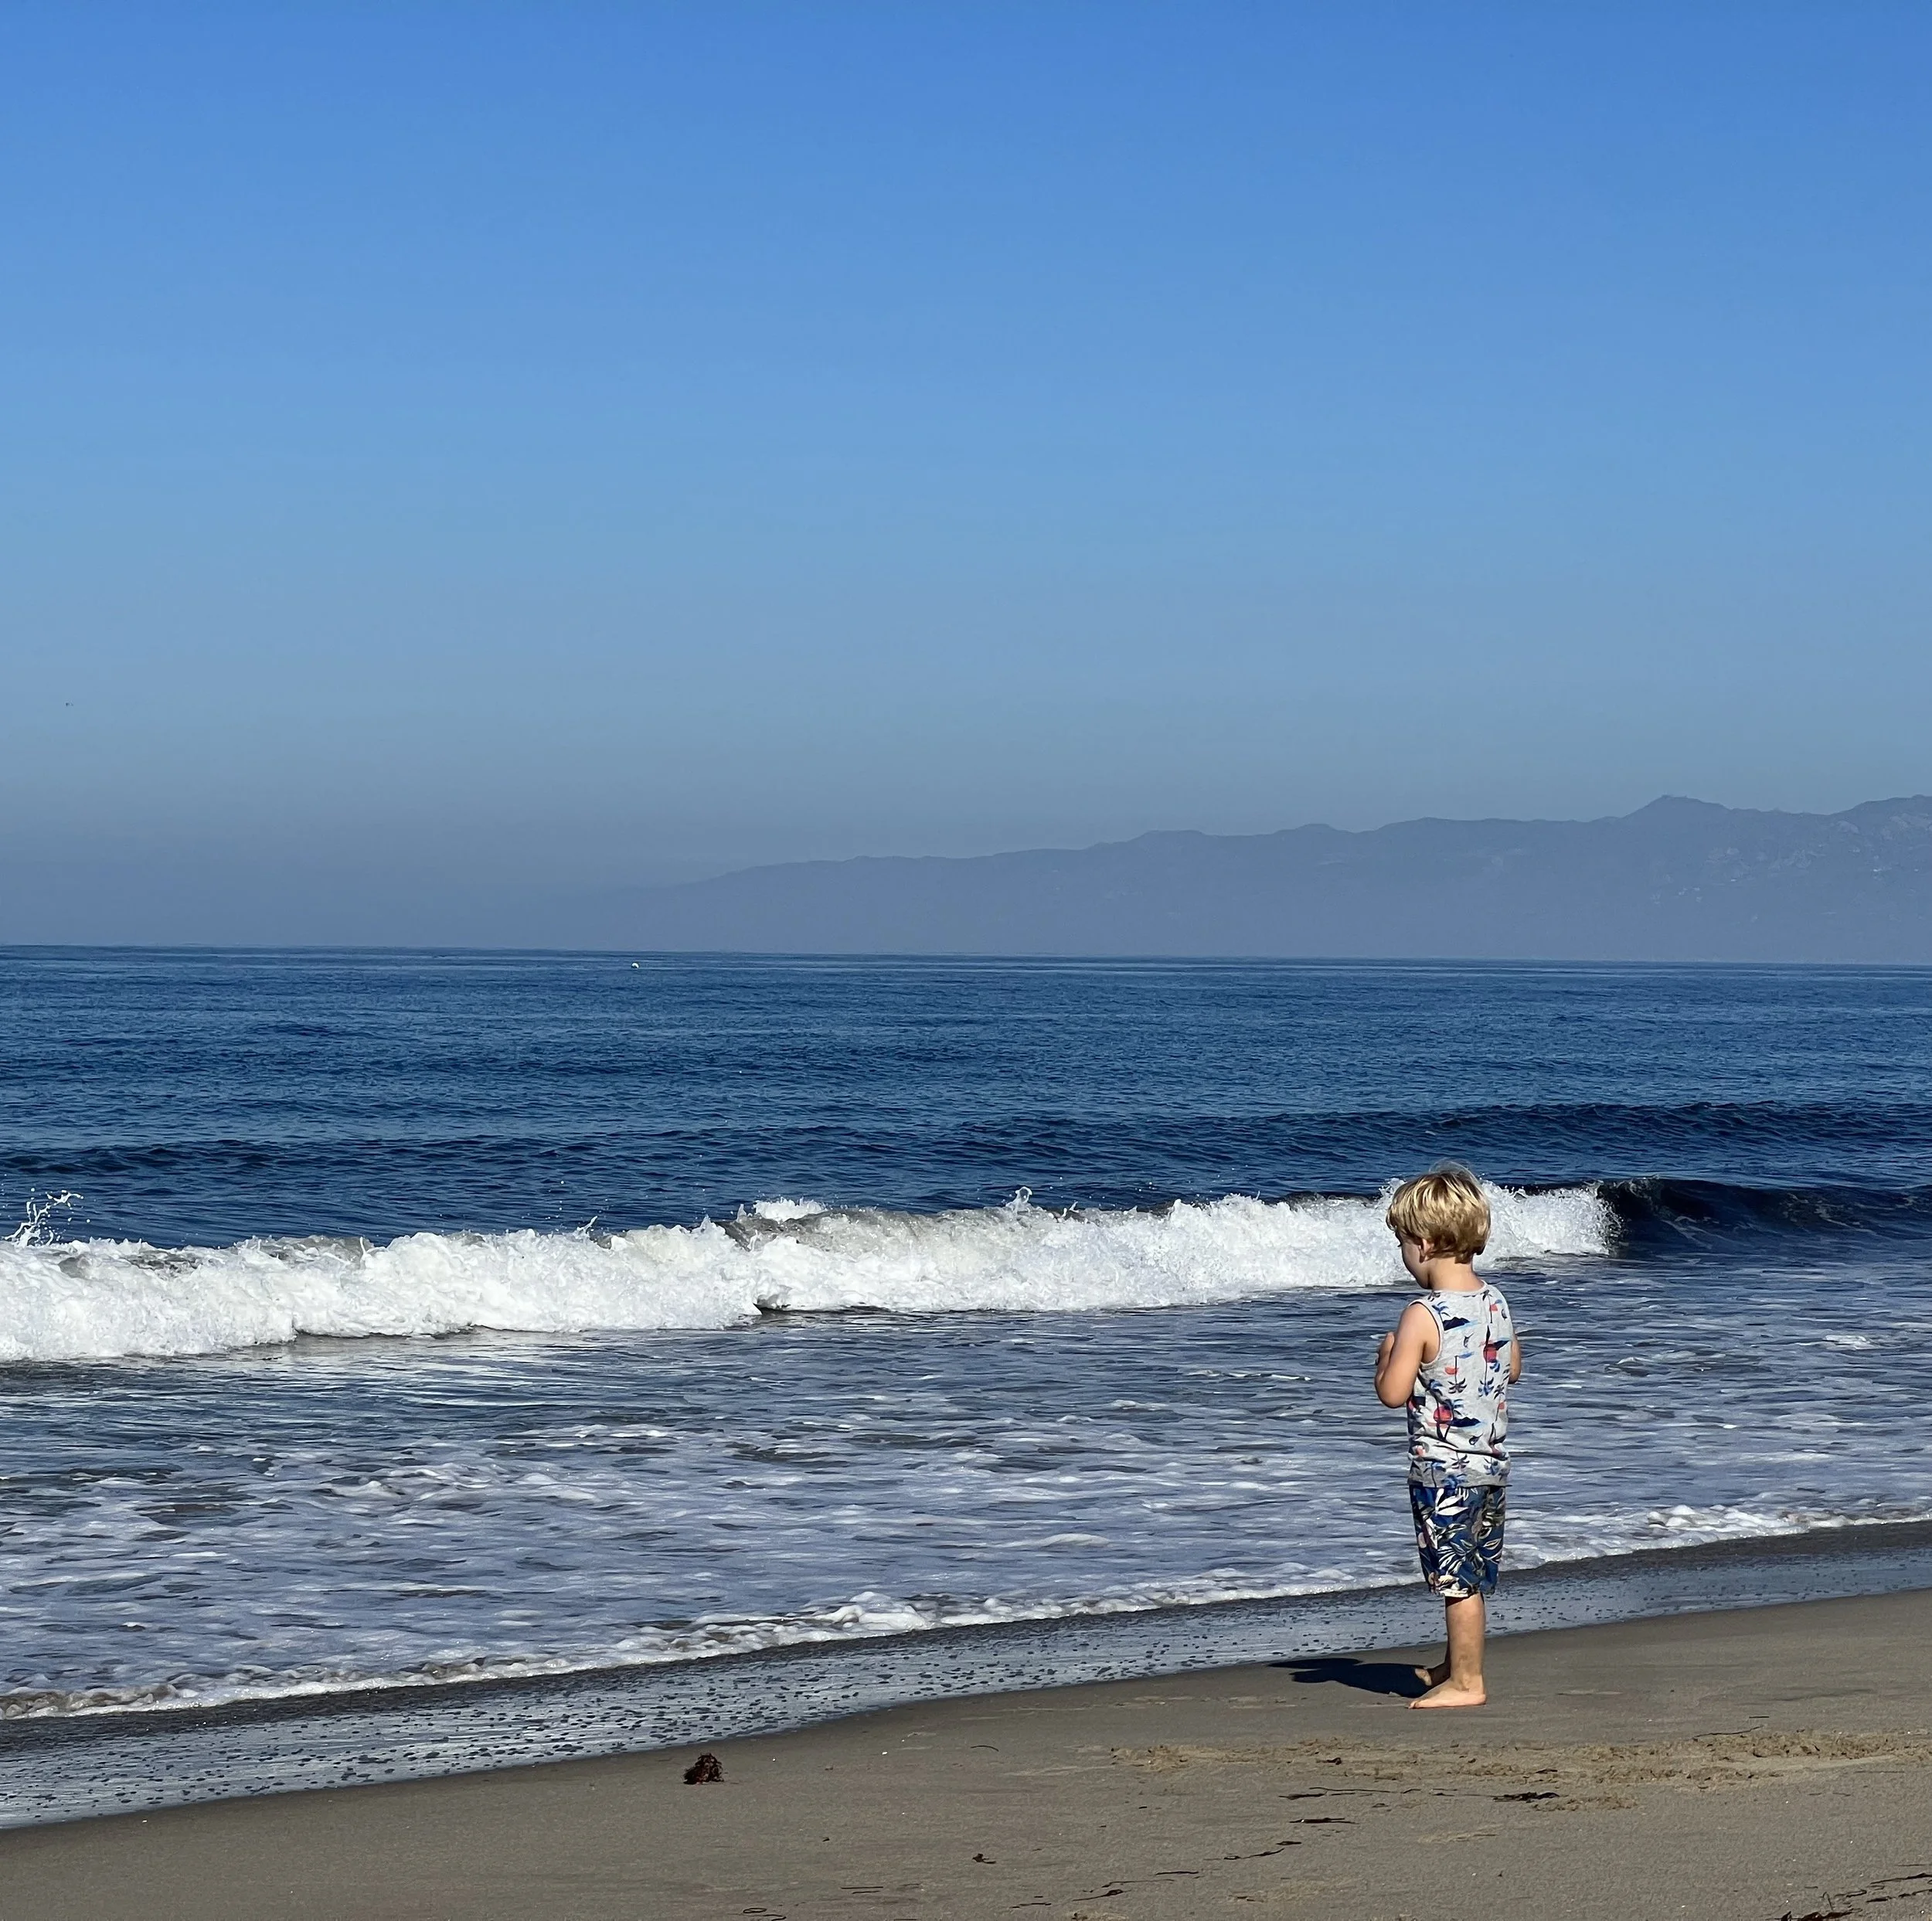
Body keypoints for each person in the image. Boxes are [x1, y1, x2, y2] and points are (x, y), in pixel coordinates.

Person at [1373, 1164, 1521, 1708]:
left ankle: (1468, 1683)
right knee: (1473, 1572)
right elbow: (1512, 1368)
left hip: (1444, 1472)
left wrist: (1387, 1356)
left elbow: (1392, 1393)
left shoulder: (1422, 1314)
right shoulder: (1496, 1301)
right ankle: (1454, 1664)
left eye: (1403, 1244)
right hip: (1491, 1468)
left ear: (1427, 1243)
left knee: (1455, 1580)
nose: (1403, 1255)